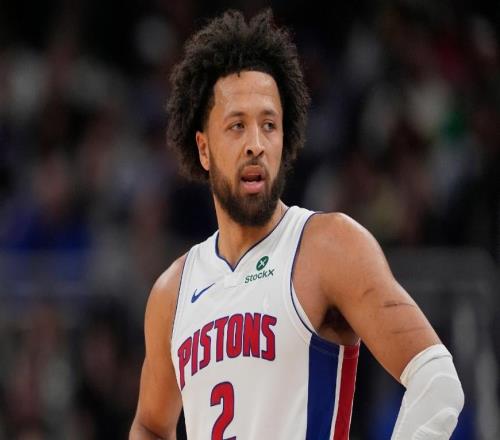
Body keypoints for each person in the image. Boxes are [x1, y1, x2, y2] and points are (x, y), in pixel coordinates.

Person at [129, 9, 464, 440]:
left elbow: (436, 381)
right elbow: (150, 425)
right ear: (204, 148)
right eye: (237, 126)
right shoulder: (171, 294)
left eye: (269, 125)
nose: (256, 144)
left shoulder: (329, 247)